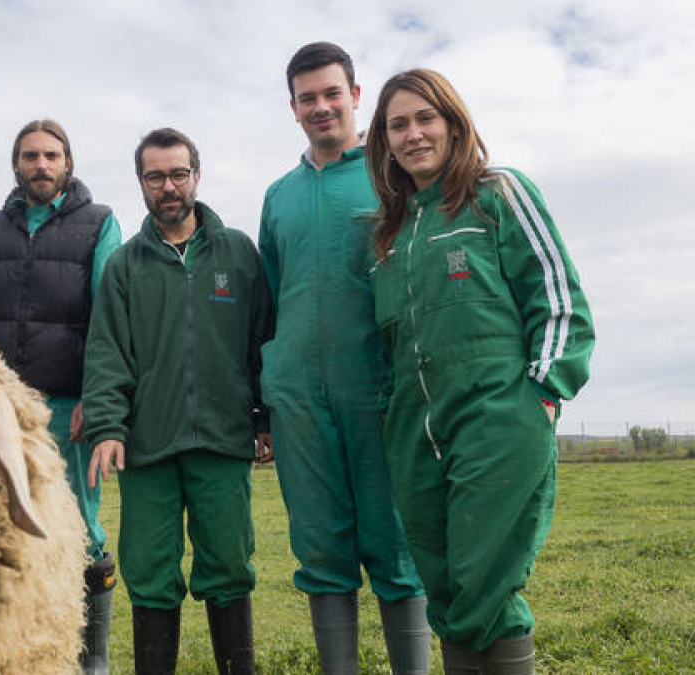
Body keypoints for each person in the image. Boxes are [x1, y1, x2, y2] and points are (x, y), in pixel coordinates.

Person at [364, 69, 595, 674]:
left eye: (424, 118)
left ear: (452, 121)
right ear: (383, 142)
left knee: (484, 580)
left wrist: (542, 392)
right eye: (398, 125)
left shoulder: (497, 194)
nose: (413, 134)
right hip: (417, 432)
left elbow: (560, 301)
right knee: (443, 586)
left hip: (498, 416)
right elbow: (390, 344)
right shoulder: (390, 235)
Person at [258, 42, 430, 675]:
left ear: (356, 97)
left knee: (393, 540)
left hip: (381, 389)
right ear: (294, 108)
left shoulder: (395, 179)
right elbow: (271, 299)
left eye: (333, 93)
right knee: (321, 546)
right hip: (300, 395)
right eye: (308, 98)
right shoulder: (278, 197)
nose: (322, 106)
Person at [84, 127, 273, 675]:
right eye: (155, 176)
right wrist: (108, 426)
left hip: (223, 436)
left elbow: (262, 341)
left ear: (196, 175)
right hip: (149, 442)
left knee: (230, 565)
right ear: (141, 183)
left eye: (178, 173)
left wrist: (264, 417)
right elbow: (106, 354)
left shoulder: (238, 253)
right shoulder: (124, 266)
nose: (168, 186)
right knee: (148, 569)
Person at [0, 119, 122, 675]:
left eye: (51, 155)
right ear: (17, 165)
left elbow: (108, 315)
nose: (41, 165)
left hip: (69, 403)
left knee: (80, 527)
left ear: (68, 164)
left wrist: (94, 397)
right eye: (30, 156)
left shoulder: (100, 223)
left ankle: (90, 659)